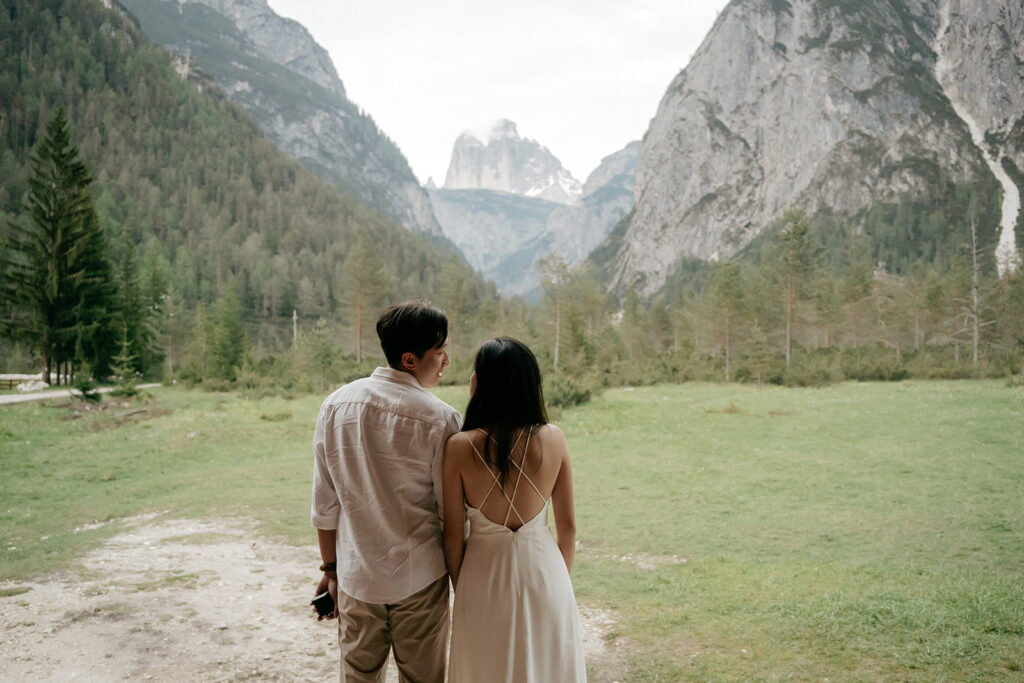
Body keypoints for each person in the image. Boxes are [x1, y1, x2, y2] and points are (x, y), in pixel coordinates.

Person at [311, 301, 461, 683]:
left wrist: (331, 571)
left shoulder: (335, 405)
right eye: (440, 351)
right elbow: (450, 513)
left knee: (359, 677)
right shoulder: (441, 418)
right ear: (410, 359)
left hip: (357, 576)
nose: (446, 361)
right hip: (421, 579)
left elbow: (324, 503)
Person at [442, 337, 586, 682]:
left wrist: (466, 588)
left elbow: (452, 536)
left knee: (484, 668)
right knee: (547, 667)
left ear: (482, 382)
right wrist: (558, 581)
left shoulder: (460, 447)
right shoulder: (554, 438)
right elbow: (568, 528)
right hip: (546, 573)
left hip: (482, 576)